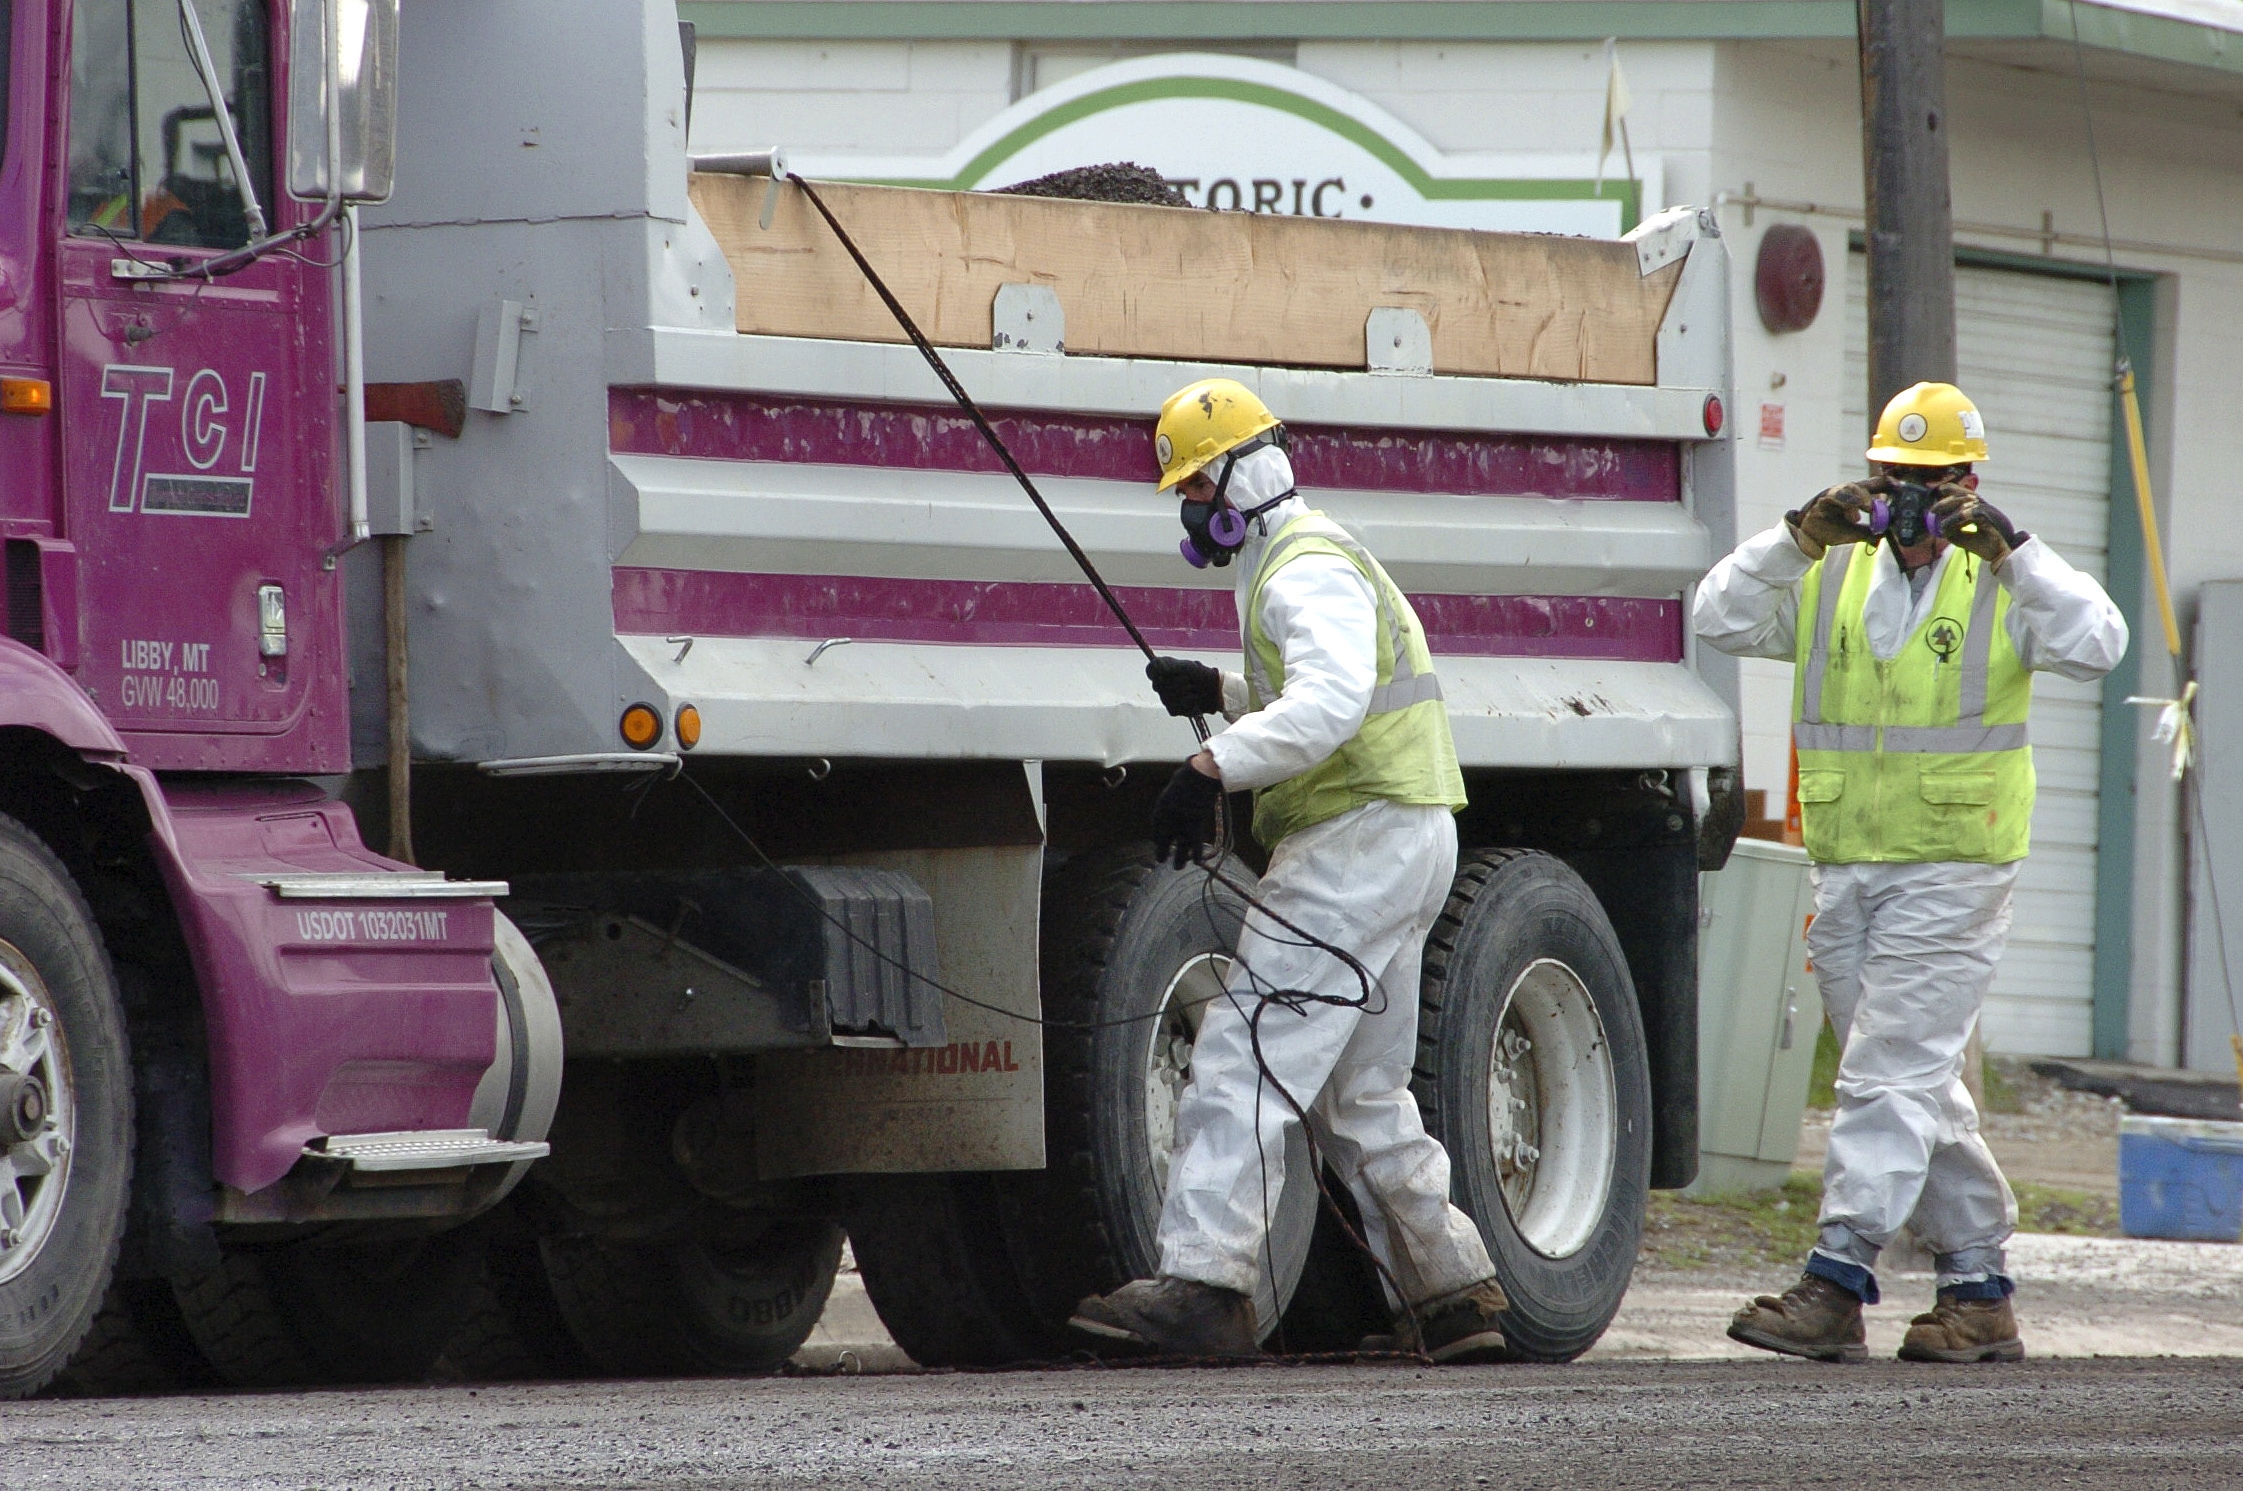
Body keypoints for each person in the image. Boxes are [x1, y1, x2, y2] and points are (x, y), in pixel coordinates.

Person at [1067, 378, 1508, 1361]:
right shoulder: (1297, 558)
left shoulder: (1299, 565)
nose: (1187, 510)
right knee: (1358, 1091)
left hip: (1357, 843)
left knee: (1244, 1053)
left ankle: (1204, 1284)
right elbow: (1315, 689)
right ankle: (1450, 1291)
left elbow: (1332, 702)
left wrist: (1206, 765)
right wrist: (1221, 693)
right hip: (1399, 834)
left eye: (1191, 487)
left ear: (1235, 478)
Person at [1695, 381, 2128, 1363]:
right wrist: (1792, 538)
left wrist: (2014, 552)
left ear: (1969, 484)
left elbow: (2099, 642)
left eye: (1933, 484)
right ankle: (1976, 1289)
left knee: (1885, 1076)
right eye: (1896, 479)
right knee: (1906, 1084)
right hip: (1846, 865)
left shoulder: (2003, 585)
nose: (1911, 504)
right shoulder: (1828, 573)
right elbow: (1714, 617)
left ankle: (1835, 1278)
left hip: (1954, 868)